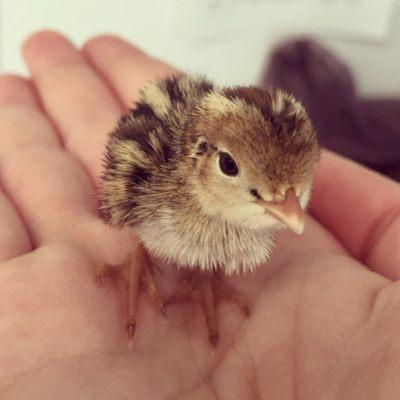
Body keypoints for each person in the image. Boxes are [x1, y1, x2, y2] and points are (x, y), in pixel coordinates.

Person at [0, 31, 399, 399]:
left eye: (299, 185)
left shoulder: (267, 199)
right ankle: (144, 254)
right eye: (230, 167)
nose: (291, 212)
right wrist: (140, 248)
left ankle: (206, 272)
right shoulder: (149, 178)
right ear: (199, 156)